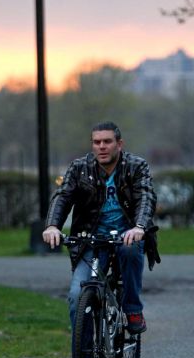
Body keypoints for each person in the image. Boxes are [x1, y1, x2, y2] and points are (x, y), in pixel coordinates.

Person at [43, 121, 158, 339]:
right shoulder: (79, 168)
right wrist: (52, 226)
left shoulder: (136, 165)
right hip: (91, 240)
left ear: (119, 144)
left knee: (131, 248)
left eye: (107, 141)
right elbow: (63, 196)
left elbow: (146, 196)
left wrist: (139, 227)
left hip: (127, 235)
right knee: (78, 297)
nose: (101, 146)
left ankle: (133, 309)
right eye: (96, 142)